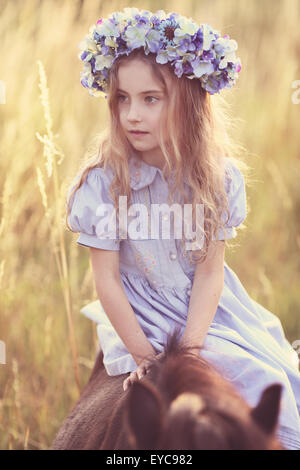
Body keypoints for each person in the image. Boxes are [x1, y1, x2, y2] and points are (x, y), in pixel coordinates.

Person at [66, 8, 300, 449]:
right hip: (141, 319)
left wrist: (191, 349)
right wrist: (144, 357)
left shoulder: (217, 179)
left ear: (188, 102)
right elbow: (107, 281)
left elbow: (211, 273)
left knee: (273, 379)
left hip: (205, 315)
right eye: (122, 98)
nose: (133, 114)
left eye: (151, 99)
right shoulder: (105, 183)